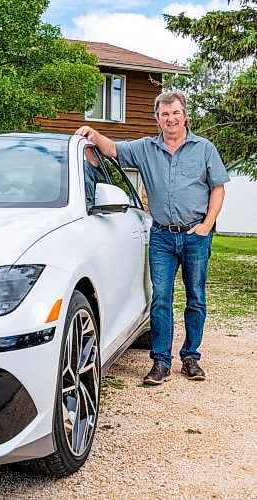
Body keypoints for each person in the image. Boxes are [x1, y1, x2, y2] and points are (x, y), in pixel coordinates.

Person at [75, 90, 230, 385]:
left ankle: (191, 358)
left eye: (175, 113)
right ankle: (161, 362)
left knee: (196, 298)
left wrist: (207, 225)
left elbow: (218, 188)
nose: (170, 119)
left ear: (185, 115)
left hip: (196, 235)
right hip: (161, 236)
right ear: (157, 118)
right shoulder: (145, 148)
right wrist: (93, 133)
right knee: (161, 299)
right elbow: (111, 150)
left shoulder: (204, 148)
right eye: (164, 114)